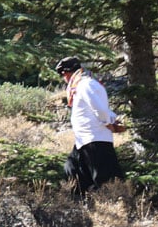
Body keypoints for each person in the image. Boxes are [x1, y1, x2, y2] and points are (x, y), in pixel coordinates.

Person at [54, 57, 126, 197]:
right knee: (72, 170)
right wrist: (112, 119)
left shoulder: (85, 85)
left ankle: (116, 207)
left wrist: (109, 123)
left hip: (95, 139)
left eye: (63, 74)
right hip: (84, 141)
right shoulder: (83, 85)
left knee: (105, 180)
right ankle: (85, 207)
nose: (64, 78)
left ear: (66, 73)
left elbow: (99, 109)